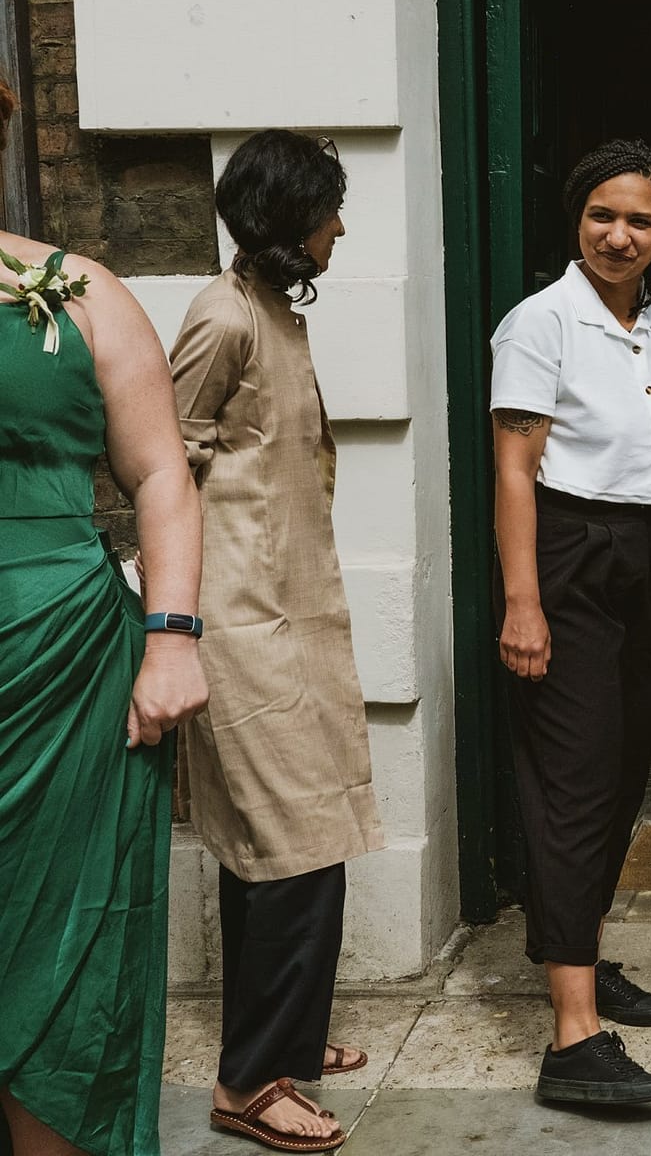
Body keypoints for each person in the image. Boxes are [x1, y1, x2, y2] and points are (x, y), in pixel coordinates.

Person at [490, 138, 651, 1107]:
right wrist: (523, 600)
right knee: (572, 781)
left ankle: (580, 952)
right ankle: (571, 1034)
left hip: (645, 564)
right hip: (565, 553)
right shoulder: (538, 323)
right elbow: (515, 467)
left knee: (623, 767)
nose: (619, 233)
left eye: (639, 218)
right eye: (603, 214)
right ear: (576, 219)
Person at [0, 75, 210, 1156]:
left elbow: (162, 474)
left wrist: (172, 636)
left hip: (63, 663)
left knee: (65, 940)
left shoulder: (75, 289)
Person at [167, 129, 386, 1153]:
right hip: (243, 620)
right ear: (289, 214)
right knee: (289, 850)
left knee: (293, 843)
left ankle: (285, 1039)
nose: (340, 223)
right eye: (328, 207)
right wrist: (175, 622)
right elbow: (164, 466)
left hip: (288, 608)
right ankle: (247, 1083)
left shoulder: (269, 311)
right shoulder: (222, 318)